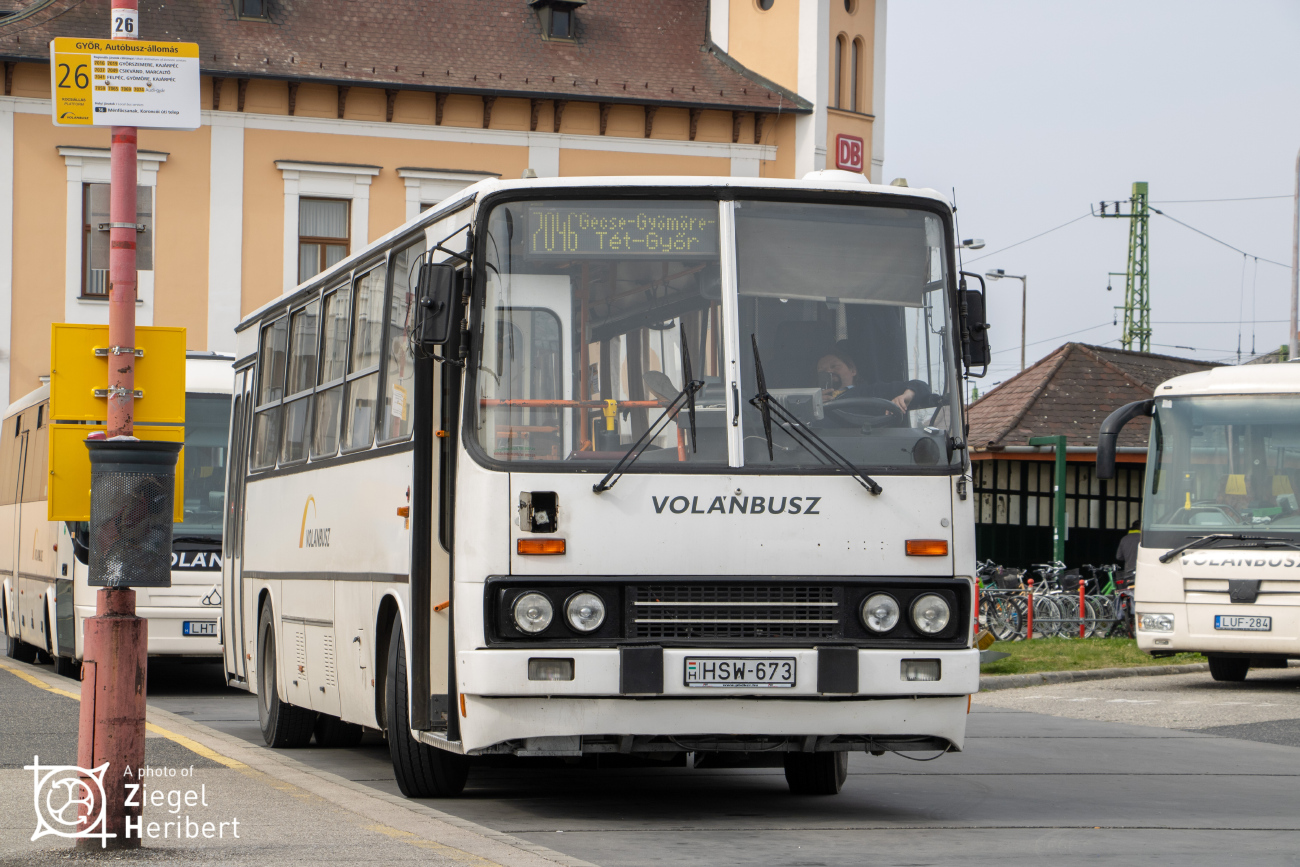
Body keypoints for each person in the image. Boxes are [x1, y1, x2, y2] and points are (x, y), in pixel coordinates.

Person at [815, 347, 929, 413]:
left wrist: (905, 396)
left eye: (834, 366)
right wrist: (814, 406)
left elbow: (921, 386)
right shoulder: (812, 401)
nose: (829, 372)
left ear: (852, 370)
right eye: (822, 371)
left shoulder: (872, 391)